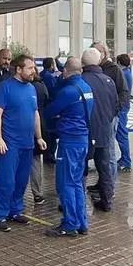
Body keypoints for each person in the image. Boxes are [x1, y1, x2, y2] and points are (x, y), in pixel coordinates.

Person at [0, 55, 46, 231]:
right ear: (19, 69)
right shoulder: (5, 87)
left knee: (21, 181)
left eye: (33, 68)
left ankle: (15, 210)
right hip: (10, 144)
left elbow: (35, 113)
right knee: (6, 181)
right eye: (29, 68)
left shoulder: (31, 88)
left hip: (27, 143)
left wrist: (39, 137)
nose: (33, 71)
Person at [44, 56, 94, 237]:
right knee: (77, 182)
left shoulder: (68, 91)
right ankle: (81, 222)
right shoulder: (87, 88)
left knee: (65, 182)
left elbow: (49, 111)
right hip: (82, 139)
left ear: (65, 71)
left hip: (70, 141)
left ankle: (70, 224)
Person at [82, 48, 122, 212]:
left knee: (80, 168)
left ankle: (79, 203)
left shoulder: (81, 81)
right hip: (104, 130)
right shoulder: (108, 81)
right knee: (105, 168)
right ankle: (107, 201)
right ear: (99, 62)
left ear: (83, 62)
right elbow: (115, 105)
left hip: (85, 131)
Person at [27, 74, 49, 205]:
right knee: (35, 162)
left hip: (27, 127)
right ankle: (38, 193)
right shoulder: (41, 86)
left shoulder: (27, 88)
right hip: (40, 125)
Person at [115, 53, 133, 172]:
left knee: (121, 133)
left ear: (120, 63)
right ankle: (124, 158)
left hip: (122, 106)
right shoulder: (128, 72)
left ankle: (126, 160)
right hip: (125, 105)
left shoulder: (122, 73)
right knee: (121, 133)